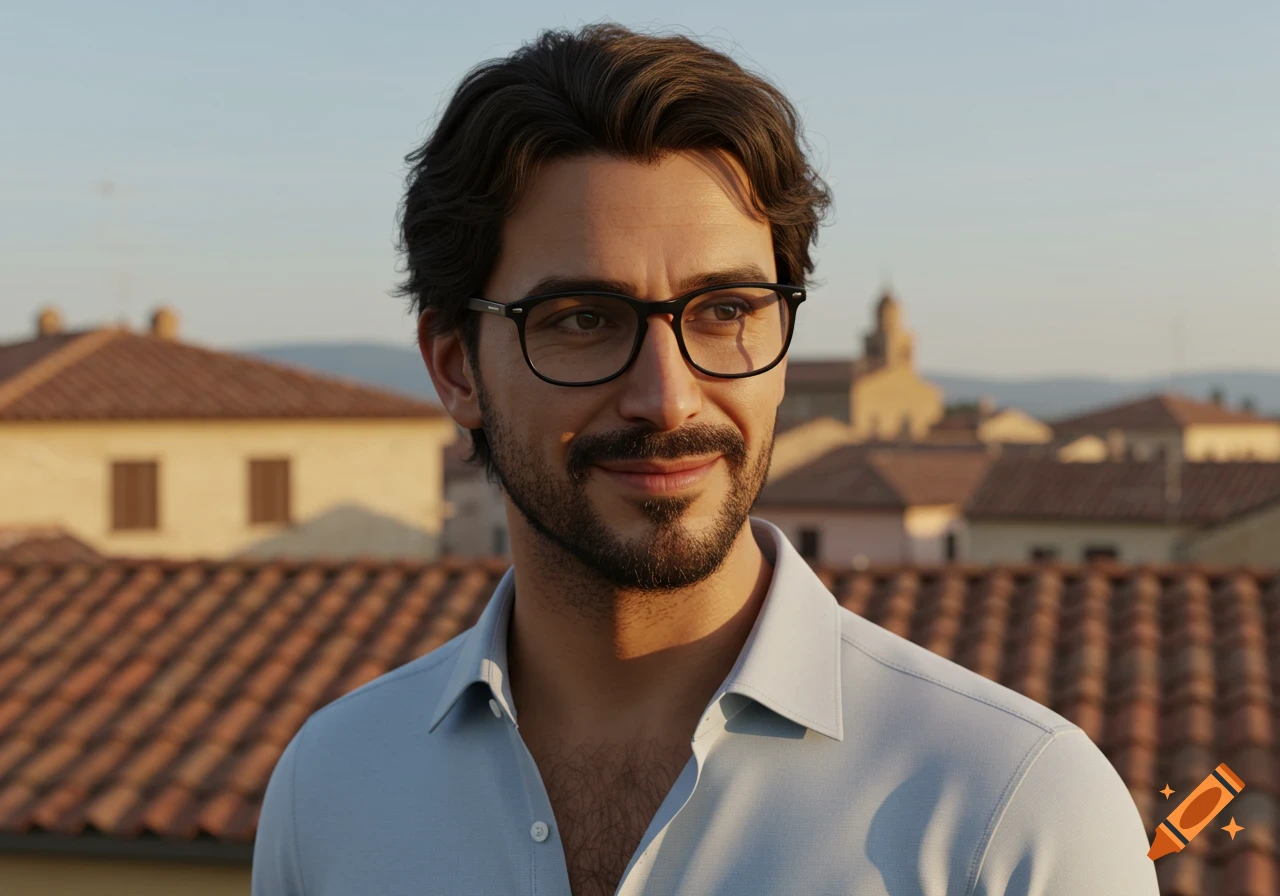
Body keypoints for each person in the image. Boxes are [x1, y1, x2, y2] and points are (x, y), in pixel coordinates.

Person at [253, 23, 1159, 896]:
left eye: (725, 310)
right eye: (582, 320)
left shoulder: (1012, 806)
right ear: (456, 368)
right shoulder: (331, 787)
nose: (669, 396)